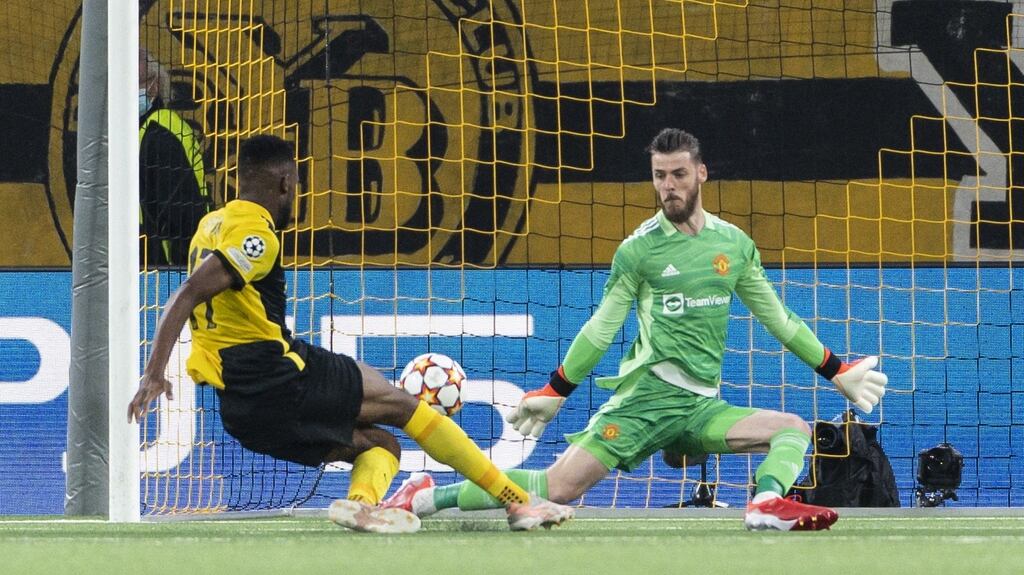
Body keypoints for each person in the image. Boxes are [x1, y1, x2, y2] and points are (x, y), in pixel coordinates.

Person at [381, 128, 888, 531]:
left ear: (701, 174)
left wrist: (836, 369)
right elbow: (602, 328)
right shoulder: (639, 250)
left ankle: (765, 503)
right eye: (660, 176)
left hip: (701, 405)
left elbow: (778, 318)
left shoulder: (733, 246)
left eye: (679, 174)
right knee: (557, 489)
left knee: (793, 430)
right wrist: (556, 391)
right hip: (647, 400)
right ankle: (425, 494)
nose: (669, 186)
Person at [127, 134, 574, 533]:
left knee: (380, 444)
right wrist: (153, 372)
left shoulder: (209, 225)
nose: (295, 195)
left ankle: (360, 505)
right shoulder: (256, 234)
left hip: (241, 412)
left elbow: (190, 292)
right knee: (404, 406)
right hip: (274, 378)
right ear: (285, 183)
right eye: (296, 187)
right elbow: (186, 293)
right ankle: (518, 503)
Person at [139, 49, 211, 266]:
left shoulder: (161, 133)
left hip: (162, 271)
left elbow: (183, 214)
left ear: (154, 85)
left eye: (132, 82)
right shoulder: (132, 131)